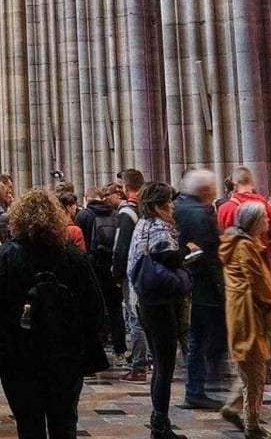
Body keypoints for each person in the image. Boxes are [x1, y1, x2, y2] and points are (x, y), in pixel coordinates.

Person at [0, 188, 107, 439]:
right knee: (65, 423)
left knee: (29, 425)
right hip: (65, 354)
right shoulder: (74, 257)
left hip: (19, 355)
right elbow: (95, 307)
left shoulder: (6, 256)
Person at [126, 181, 192, 439]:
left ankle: (159, 422)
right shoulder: (159, 227)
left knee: (161, 364)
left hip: (145, 301)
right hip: (160, 303)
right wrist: (189, 251)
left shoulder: (142, 224)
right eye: (168, 203)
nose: (172, 207)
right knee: (164, 366)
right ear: (156, 206)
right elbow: (170, 258)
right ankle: (160, 425)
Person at [218, 203, 271, 439]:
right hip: (249, 314)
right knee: (255, 370)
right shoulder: (244, 246)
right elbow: (258, 282)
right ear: (255, 223)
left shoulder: (236, 243)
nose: (268, 223)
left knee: (251, 367)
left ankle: (233, 407)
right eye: (265, 219)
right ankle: (252, 424)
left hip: (241, 312)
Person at [173, 170, 225, 409]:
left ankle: (197, 386)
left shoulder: (179, 207)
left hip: (187, 283)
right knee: (201, 339)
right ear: (205, 190)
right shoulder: (199, 214)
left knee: (197, 339)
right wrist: (220, 286)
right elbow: (206, 255)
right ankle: (197, 387)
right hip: (202, 286)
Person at [81, 185, 126, 361]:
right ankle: (119, 347)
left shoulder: (84, 215)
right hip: (110, 266)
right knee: (115, 309)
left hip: (92, 266)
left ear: (87, 198)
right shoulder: (114, 214)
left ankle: (97, 344)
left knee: (94, 307)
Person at [112, 170, 149, 382]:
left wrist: (116, 274)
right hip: (149, 271)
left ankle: (139, 365)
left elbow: (120, 247)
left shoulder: (127, 213)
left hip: (133, 272)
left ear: (126, 188)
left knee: (135, 319)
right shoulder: (149, 208)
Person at [216, 167, 271, 254]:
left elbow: (223, 238)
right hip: (257, 255)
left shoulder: (223, 209)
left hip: (233, 258)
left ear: (234, 184)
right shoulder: (264, 205)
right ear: (252, 182)